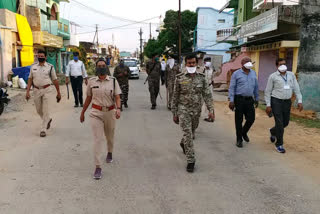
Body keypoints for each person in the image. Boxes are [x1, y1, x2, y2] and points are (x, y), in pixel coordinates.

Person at [171, 54, 215, 173]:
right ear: (186, 64)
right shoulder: (179, 78)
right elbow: (175, 96)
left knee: (192, 130)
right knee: (188, 134)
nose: (191, 65)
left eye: (193, 63)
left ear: (196, 64)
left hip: (196, 110)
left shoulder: (202, 77)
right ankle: (191, 160)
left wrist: (211, 110)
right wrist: (174, 112)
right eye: (189, 63)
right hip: (183, 110)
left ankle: (183, 143)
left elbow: (207, 94)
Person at [80, 59, 122, 180]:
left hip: (110, 112)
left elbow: (117, 97)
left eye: (103, 66)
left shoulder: (113, 81)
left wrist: (118, 109)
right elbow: (88, 98)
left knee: (110, 136)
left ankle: (109, 152)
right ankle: (98, 167)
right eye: (99, 66)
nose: (101, 67)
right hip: (96, 113)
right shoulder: (92, 82)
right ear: (96, 68)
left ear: (106, 67)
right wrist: (82, 112)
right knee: (98, 139)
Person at [264, 58, 303, 153]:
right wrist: (268, 105)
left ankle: (273, 131)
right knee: (280, 123)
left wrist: (300, 101)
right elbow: (268, 91)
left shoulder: (291, 75)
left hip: (287, 102)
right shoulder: (273, 76)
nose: (283, 66)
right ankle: (279, 144)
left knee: (285, 122)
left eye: (284, 64)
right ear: (277, 66)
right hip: (276, 101)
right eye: (280, 64)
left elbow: (296, 88)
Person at [26, 50, 61, 137]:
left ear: (45, 57)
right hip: (36, 90)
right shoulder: (33, 67)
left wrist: (58, 92)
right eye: (39, 56)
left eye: (42, 56)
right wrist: (27, 91)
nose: (40, 57)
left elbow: (55, 80)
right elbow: (30, 79)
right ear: (37, 57)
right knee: (38, 110)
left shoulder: (50, 67)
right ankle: (48, 120)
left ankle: (43, 129)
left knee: (45, 110)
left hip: (47, 89)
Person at [228, 57, 259, 148]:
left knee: (251, 119)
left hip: (250, 100)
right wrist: (231, 100)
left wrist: (257, 98)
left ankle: (244, 132)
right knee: (239, 120)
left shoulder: (253, 73)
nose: (249, 63)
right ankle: (239, 139)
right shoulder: (236, 74)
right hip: (239, 99)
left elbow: (256, 86)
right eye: (246, 62)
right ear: (242, 64)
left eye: (250, 61)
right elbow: (232, 87)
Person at [203, 57, 215, 122]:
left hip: (210, 86)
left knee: (210, 101)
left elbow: (212, 78)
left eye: (209, 61)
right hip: (203, 88)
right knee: (201, 102)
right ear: (204, 62)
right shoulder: (202, 70)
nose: (209, 62)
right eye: (207, 61)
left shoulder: (212, 70)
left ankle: (210, 116)